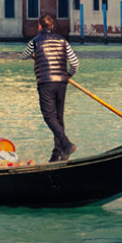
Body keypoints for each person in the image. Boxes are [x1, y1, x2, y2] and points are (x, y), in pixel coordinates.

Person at [21, 13, 79, 161]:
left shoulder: (35, 41)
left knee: (49, 116)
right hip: (61, 82)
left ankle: (66, 144)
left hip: (46, 83)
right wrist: (69, 75)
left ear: (39, 26)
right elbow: (75, 63)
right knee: (58, 117)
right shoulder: (63, 41)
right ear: (52, 26)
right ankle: (58, 153)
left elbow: (24, 56)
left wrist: (32, 55)